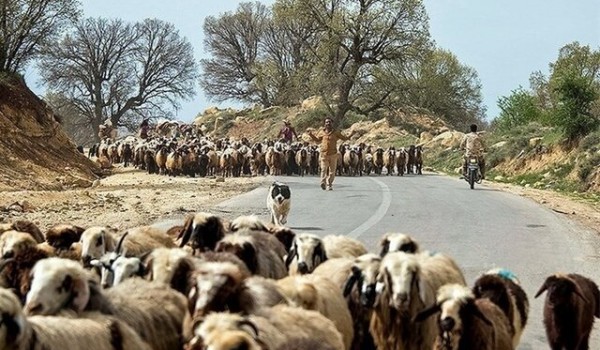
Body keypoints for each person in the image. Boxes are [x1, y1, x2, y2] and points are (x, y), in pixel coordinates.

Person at [307, 118, 354, 190]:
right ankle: (323, 182)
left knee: (332, 171)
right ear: (324, 124)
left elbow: (344, 138)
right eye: (326, 122)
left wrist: (351, 134)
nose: (328, 123)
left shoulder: (336, 132)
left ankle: (329, 184)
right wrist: (311, 135)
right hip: (324, 154)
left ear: (332, 123)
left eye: (329, 122)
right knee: (323, 169)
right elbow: (317, 140)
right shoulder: (322, 132)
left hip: (333, 154)